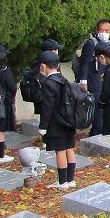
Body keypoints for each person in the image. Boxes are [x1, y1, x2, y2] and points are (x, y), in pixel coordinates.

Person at [35, 51, 80, 188]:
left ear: (43, 66)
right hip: (69, 120)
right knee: (69, 148)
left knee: (60, 151)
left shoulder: (48, 83)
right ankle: (70, 179)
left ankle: (62, 182)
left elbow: (47, 107)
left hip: (56, 122)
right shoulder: (63, 79)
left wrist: (43, 126)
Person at [76, 18, 110, 135]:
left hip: (105, 78)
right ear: (97, 30)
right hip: (93, 78)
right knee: (97, 105)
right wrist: (83, 81)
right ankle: (97, 132)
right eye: (101, 30)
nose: (104, 33)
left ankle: (101, 129)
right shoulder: (91, 43)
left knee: (104, 105)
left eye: (106, 30)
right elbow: (85, 63)